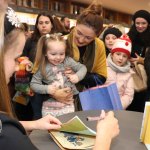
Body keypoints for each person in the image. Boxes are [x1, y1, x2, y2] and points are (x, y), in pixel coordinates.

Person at [0, 3, 119, 149]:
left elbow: (100, 77)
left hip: (75, 102)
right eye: (79, 34)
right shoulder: (58, 42)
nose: (81, 40)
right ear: (75, 26)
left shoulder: (98, 47)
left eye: (88, 38)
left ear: (96, 36)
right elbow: (38, 76)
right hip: (48, 102)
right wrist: (53, 92)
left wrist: (77, 76)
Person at [30, 33, 87, 117]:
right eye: (53, 54)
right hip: (50, 105)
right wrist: (47, 89)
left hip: (71, 100)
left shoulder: (68, 61)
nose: (58, 57)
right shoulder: (42, 67)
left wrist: (77, 76)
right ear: (45, 53)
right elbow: (33, 84)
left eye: (61, 54)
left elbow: (82, 68)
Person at [127, 10, 150, 112]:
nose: (140, 26)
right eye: (137, 23)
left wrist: (142, 60)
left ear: (149, 23)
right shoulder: (129, 36)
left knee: (141, 110)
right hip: (128, 78)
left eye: (143, 23)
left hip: (144, 81)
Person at [105, 35, 134, 109]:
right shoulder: (103, 67)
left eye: (124, 56)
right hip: (101, 105)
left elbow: (128, 94)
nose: (121, 58)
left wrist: (118, 106)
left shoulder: (129, 73)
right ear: (112, 54)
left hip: (118, 108)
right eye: (118, 54)